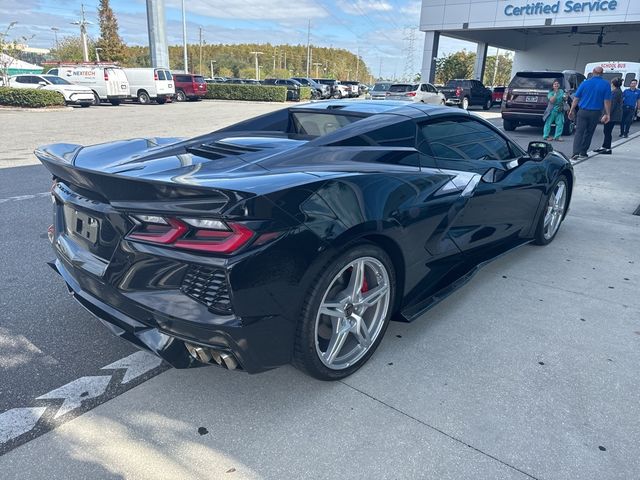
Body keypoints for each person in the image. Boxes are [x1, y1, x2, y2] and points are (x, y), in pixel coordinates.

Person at [568, 66, 611, 160]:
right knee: (589, 132)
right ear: (602, 73)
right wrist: (607, 114)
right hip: (595, 112)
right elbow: (607, 100)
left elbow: (576, 98)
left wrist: (571, 110)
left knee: (579, 132)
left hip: (583, 111)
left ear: (593, 72)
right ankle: (583, 152)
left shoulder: (585, 83)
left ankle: (575, 152)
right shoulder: (606, 84)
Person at [595, 77, 622, 155]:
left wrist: (606, 114)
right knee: (606, 131)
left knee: (607, 131)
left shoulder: (615, 92)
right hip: (612, 115)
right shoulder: (617, 91)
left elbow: (611, 105)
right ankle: (604, 146)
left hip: (612, 116)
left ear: (613, 84)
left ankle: (607, 148)